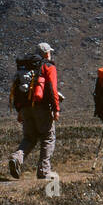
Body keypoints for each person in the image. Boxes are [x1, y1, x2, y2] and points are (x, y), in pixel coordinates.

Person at [9, 41, 61, 179]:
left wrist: (19, 111)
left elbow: (17, 90)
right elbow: (52, 88)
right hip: (41, 107)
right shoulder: (48, 66)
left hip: (25, 108)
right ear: (46, 53)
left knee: (29, 138)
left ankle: (17, 157)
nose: (50, 54)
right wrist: (56, 109)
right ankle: (44, 170)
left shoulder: (24, 68)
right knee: (48, 137)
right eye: (49, 52)